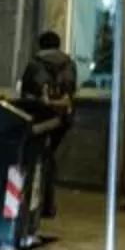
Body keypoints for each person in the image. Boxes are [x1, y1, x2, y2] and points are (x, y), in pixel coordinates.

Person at [18, 26, 79, 223]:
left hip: (41, 118)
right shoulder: (69, 63)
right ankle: (48, 205)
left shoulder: (35, 64)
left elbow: (26, 92)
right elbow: (72, 89)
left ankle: (41, 204)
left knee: (40, 158)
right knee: (48, 156)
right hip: (62, 118)